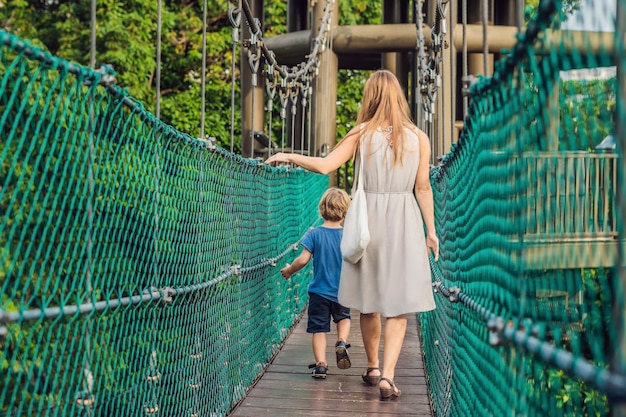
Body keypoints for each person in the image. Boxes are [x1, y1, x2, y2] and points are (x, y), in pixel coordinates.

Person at [266, 69, 439, 401]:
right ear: (400, 97)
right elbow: (423, 187)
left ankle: (373, 366)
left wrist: (288, 155)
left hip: (367, 223)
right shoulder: (419, 137)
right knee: (398, 305)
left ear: (370, 97)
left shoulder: (362, 132)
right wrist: (430, 231)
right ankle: (388, 376)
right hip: (404, 221)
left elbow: (326, 166)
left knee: (369, 303)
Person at [280, 187, 353, 379]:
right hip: (343, 291)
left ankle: (321, 365)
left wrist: (289, 270)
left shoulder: (314, 234)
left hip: (319, 292)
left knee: (319, 329)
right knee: (344, 318)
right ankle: (341, 342)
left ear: (322, 208)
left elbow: (303, 260)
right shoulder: (348, 235)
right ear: (345, 211)